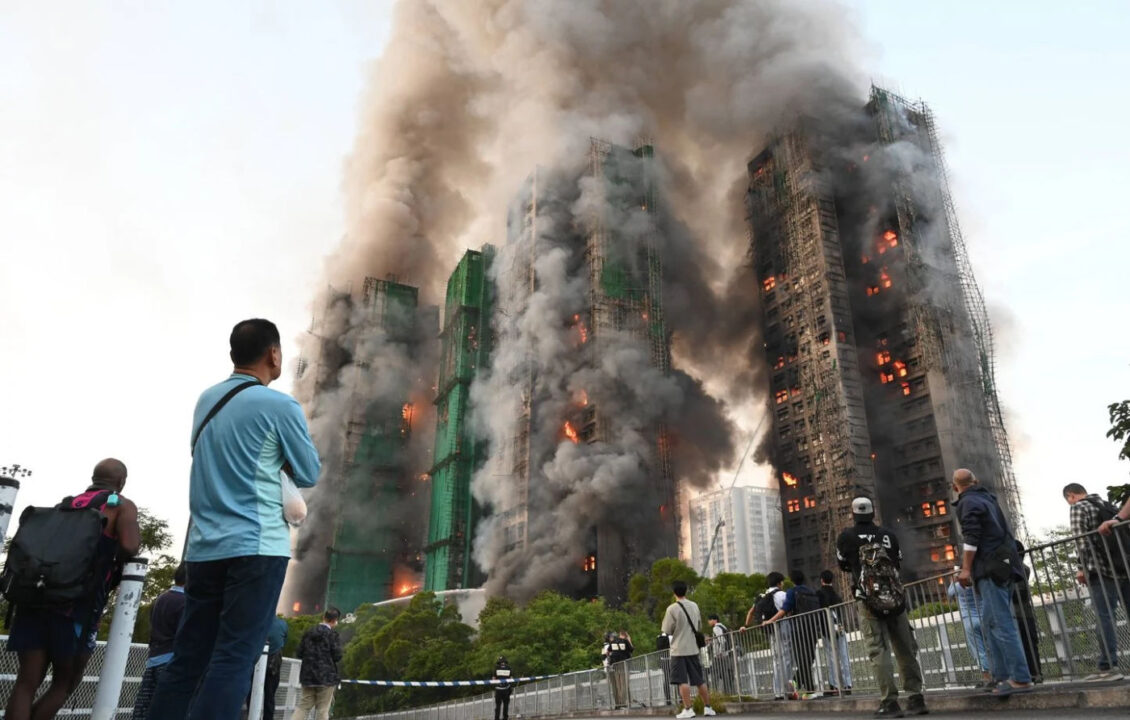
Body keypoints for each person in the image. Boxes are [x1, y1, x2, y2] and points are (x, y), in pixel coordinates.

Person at [148, 319, 322, 720]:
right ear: (273, 354)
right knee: (234, 658)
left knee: (188, 658)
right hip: (256, 548)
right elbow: (310, 472)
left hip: (204, 550)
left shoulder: (206, 400)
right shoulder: (279, 405)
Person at [5, 458, 141, 720]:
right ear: (121, 482)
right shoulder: (121, 505)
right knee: (64, 683)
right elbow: (129, 546)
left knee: (26, 683)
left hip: (35, 597)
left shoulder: (66, 505)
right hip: (76, 607)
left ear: (93, 478)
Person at [836, 496, 926, 717]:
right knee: (905, 647)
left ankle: (890, 702)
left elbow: (844, 565)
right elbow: (898, 561)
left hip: (867, 600)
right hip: (895, 599)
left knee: (878, 650)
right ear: (872, 512)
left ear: (854, 513)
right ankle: (916, 698)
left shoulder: (846, 537)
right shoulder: (888, 535)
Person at [953, 469, 1032, 696]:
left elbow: (971, 537)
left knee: (1002, 622)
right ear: (974, 480)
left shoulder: (968, 503)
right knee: (990, 623)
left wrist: (966, 568)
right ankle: (1001, 676)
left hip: (990, 568)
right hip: (1005, 566)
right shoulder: (988, 499)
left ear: (955, 485)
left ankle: (1020, 678)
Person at [1064, 482, 1130, 681]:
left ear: (1071, 496)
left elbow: (1081, 541)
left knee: (1104, 617)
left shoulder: (1078, 508)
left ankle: (1108, 666)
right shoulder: (1108, 506)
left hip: (1100, 570)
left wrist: (1080, 567)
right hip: (1123, 568)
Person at [133, 563, 188, 720]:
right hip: (172, 661)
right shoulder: (185, 602)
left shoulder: (161, 598)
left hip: (154, 658)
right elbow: (184, 636)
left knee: (145, 709)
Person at [660, 581, 716, 719]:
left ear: (674, 593)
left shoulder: (672, 609)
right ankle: (708, 707)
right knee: (699, 680)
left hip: (678, 650)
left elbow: (667, 630)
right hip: (693, 648)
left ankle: (688, 709)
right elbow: (698, 625)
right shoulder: (694, 605)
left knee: (682, 680)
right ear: (686, 591)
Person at [765, 570, 820, 698]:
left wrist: (770, 621)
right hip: (811, 628)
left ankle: (796, 683)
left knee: (801, 660)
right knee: (809, 659)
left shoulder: (791, 592)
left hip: (797, 629)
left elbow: (785, 609)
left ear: (792, 581)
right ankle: (806, 689)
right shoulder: (811, 591)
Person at [742, 571, 795, 701]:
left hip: (770, 630)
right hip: (783, 627)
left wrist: (746, 626)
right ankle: (785, 690)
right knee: (786, 659)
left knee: (777, 660)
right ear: (780, 583)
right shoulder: (782, 594)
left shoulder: (762, 595)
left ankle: (778, 692)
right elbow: (789, 609)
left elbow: (751, 612)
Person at [294, 607, 343, 720]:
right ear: (335, 620)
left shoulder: (308, 632)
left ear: (323, 617)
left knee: (303, 707)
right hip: (326, 677)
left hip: (307, 676)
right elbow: (337, 656)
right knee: (322, 709)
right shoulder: (332, 635)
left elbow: (299, 653)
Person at [947, 569, 992, 688]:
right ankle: (999, 675)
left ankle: (987, 678)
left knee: (979, 650)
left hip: (969, 621)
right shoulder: (979, 585)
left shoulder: (958, 587)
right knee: (991, 646)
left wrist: (953, 580)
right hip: (984, 618)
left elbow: (949, 594)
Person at [1011, 541, 1043, 683]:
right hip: (1021, 613)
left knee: (1028, 644)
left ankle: (1033, 674)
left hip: (1020, 614)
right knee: (1028, 645)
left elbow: (1021, 591)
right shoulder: (1020, 568)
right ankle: (1033, 674)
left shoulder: (1021, 569)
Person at [817, 570, 853, 697]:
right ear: (832, 580)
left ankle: (835, 686)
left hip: (828, 629)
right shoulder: (837, 595)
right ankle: (848, 684)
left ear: (821, 580)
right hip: (841, 627)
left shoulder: (819, 593)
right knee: (844, 656)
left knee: (832, 657)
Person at [706, 615, 734, 696]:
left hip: (719, 656)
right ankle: (728, 694)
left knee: (714, 676)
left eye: (709, 620)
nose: (708, 622)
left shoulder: (716, 628)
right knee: (726, 676)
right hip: (726, 655)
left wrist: (720, 652)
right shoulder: (724, 627)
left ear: (714, 620)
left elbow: (722, 640)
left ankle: (714, 696)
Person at [608, 629, 634, 708]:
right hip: (623, 664)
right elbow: (631, 649)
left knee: (618, 685)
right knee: (624, 684)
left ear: (619, 635)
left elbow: (608, 651)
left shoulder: (613, 642)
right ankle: (623, 703)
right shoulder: (625, 641)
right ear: (625, 636)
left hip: (615, 664)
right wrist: (629, 640)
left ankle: (619, 703)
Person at [494, 655, 513, 720]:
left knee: (498, 705)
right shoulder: (509, 668)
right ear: (505, 661)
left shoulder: (496, 668)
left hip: (498, 689)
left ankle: (496, 718)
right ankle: (505, 718)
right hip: (506, 689)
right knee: (506, 705)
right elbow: (511, 678)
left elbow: (493, 679)